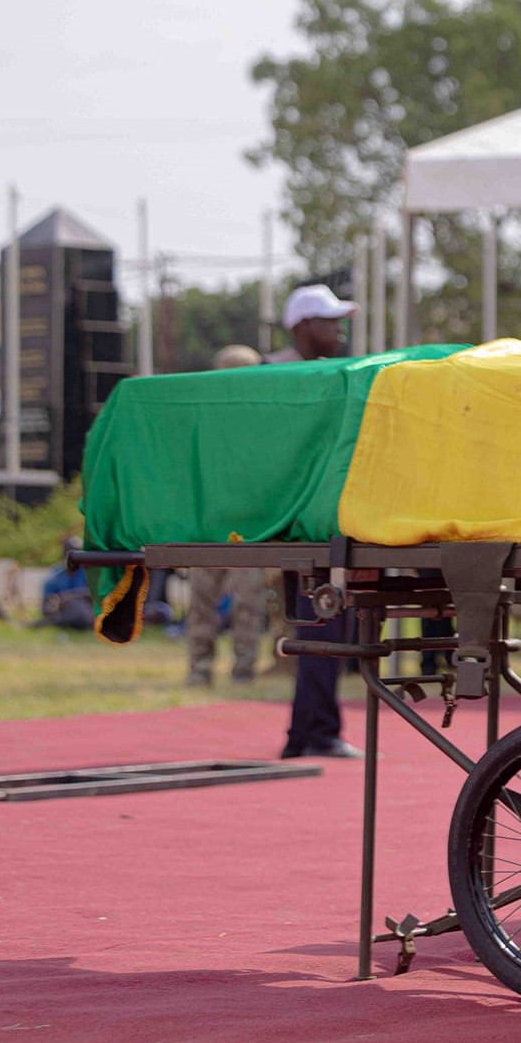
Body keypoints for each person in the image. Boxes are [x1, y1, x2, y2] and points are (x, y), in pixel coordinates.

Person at [273, 286, 362, 759]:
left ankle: (309, 732)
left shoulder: (336, 375)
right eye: (329, 320)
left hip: (326, 515)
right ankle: (313, 731)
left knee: (327, 621)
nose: (339, 328)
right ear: (302, 326)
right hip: (294, 519)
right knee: (321, 622)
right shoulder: (273, 376)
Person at [184, 345, 269, 686]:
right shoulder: (205, 417)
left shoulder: (261, 419)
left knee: (248, 600)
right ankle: (200, 666)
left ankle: (244, 667)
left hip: (247, 521)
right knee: (203, 599)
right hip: (212, 520)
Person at [266, 284, 353, 363]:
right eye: (331, 320)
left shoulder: (328, 372)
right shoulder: (267, 372)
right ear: (304, 325)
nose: (340, 328)